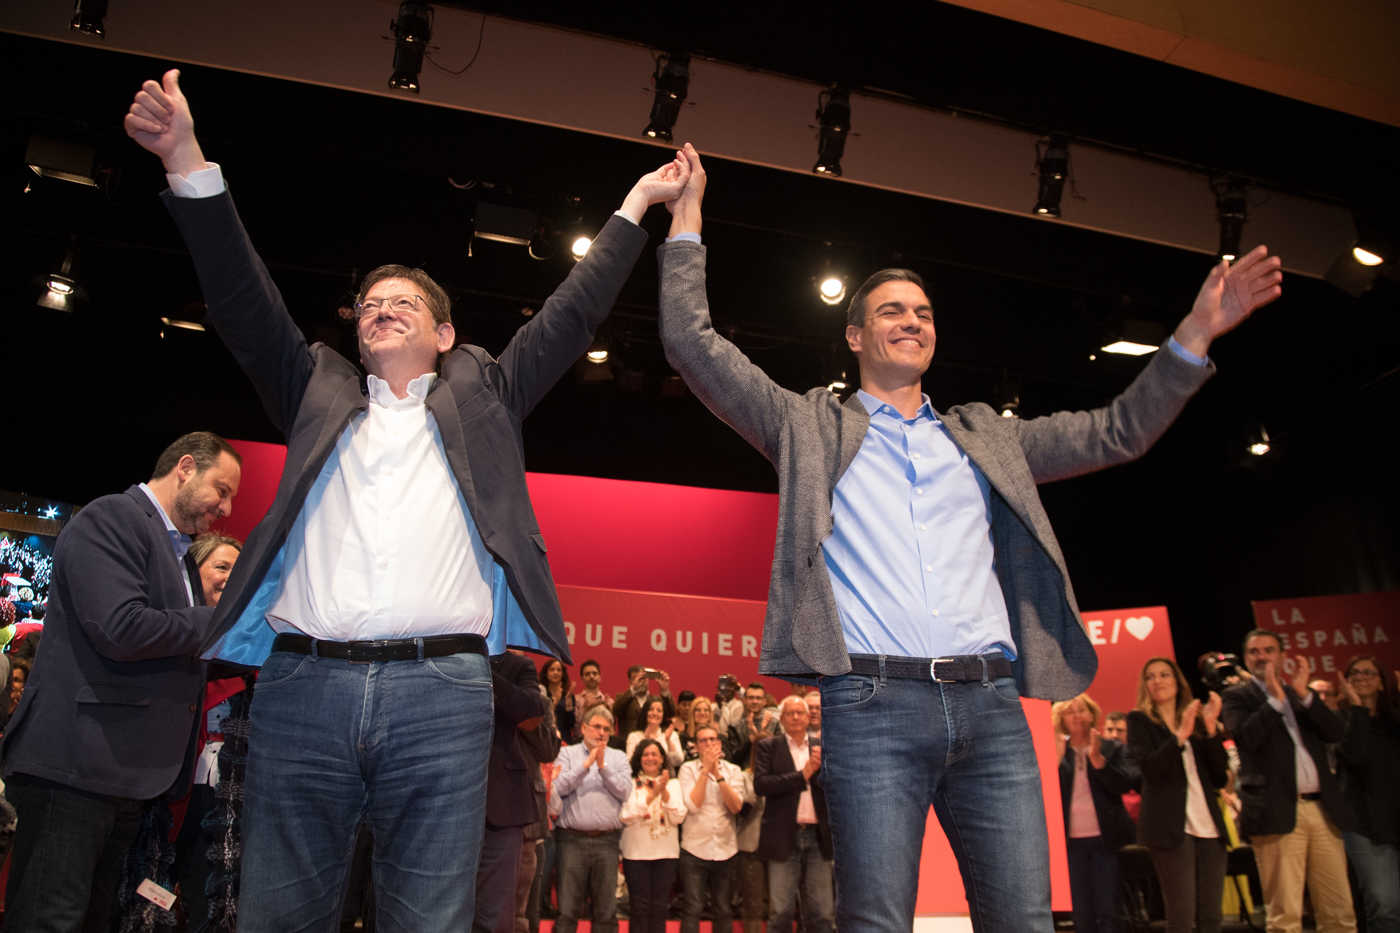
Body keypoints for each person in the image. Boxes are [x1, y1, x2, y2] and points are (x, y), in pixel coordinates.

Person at [656, 142, 1283, 931]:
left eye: (923, 313)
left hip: (991, 708)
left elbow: (1118, 429)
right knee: (876, 922)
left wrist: (1193, 334)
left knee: (1022, 920)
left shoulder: (985, 438)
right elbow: (694, 346)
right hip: (871, 706)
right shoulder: (808, 426)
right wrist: (688, 220)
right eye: (892, 310)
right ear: (855, 337)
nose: (912, 321)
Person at [124, 69, 688, 930]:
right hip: (304, 686)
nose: (381, 310)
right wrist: (184, 159)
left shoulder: (487, 395)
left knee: (427, 916)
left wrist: (637, 204)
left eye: (405, 303)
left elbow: (571, 316)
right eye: (370, 304)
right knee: (278, 913)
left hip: (442, 691)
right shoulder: (314, 388)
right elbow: (241, 299)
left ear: (445, 334)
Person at [1, 431, 241, 931]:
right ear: (185, 468)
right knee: (50, 919)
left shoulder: (177, 551)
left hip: (120, 776)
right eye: (222, 490)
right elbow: (120, 628)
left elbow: (174, 647)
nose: (226, 508)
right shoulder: (112, 518)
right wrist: (223, 621)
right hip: (75, 768)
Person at [1221, 629, 1355, 933]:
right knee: (1285, 917)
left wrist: (1305, 696)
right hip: (1276, 812)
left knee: (1339, 912)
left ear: (1281, 656)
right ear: (1246, 658)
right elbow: (1246, 738)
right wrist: (1274, 702)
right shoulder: (1238, 697)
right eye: (1254, 652)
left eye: (1269, 650)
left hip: (1322, 811)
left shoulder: (1298, 694)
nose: (1262, 657)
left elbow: (1335, 733)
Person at [1126, 658, 1230, 933]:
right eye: (1150, 677)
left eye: (1164, 675)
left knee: (1211, 916)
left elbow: (1219, 777)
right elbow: (1149, 771)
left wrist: (1210, 730)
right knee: (1181, 916)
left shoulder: (1196, 719)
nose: (1157, 681)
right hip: (1170, 827)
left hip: (1208, 825)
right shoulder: (1139, 721)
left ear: (1177, 682)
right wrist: (1179, 737)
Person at [475, 651, 559, 933]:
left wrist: (512, 704)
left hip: (510, 807)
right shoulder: (447, 659)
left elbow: (547, 748)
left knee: (513, 909)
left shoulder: (525, 679)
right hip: (456, 794)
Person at [1052, 693, 1135, 933]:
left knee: (1108, 910)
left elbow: (1125, 784)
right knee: (1081, 912)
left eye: (1081, 710)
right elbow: (1046, 794)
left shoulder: (1111, 747)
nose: (1076, 716)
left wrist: (1100, 763)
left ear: (1092, 714)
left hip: (1106, 839)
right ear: (1061, 718)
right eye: (1070, 711)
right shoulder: (1056, 750)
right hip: (1070, 842)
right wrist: (1056, 760)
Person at [754, 695, 834, 933]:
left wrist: (821, 772)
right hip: (782, 836)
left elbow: (835, 786)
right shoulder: (769, 746)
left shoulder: (821, 747)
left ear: (809, 717)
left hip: (818, 837)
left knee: (822, 912)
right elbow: (762, 785)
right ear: (782, 718)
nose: (796, 717)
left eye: (800, 713)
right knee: (781, 911)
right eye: (790, 713)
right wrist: (803, 775)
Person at [1335, 656, 1400, 933]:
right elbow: (1356, 756)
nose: (1361, 677)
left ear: (1382, 683)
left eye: (1369, 672)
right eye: (1355, 673)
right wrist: (1359, 709)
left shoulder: (1393, 721)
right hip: (1365, 824)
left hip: (1395, 816)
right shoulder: (1340, 720)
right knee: (1385, 905)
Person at [552, 705, 631, 933]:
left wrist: (603, 767)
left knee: (606, 913)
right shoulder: (567, 754)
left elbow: (626, 791)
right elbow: (557, 787)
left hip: (607, 841)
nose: (602, 733)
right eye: (597, 727)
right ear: (584, 728)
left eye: (606, 729)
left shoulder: (618, 757)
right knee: (567, 912)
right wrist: (586, 765)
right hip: (571, 841)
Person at [678, 724, 750, 933]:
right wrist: (705, 771)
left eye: (712, 740)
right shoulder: (687, 769)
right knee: (692, 908)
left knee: (723, 909)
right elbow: (693, 805)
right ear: (696, 746)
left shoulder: (733, 770)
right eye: (703, 740)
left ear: (719, 743)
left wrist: (718, 775)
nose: (709, 744)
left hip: (726, 849)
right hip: (694, 849)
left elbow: (736, 807)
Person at [619, 737, 687, 933]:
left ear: (662, 759)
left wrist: (663, 791)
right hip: (636, 854)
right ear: (639, 759)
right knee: (639, 908)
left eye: (654, 754)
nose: (650, 758)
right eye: (646, 754)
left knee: (659, 908)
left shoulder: (673, 784)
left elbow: (678, 817)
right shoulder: (630, 784)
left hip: (666, 854)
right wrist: (653, 793)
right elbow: (626, 815)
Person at [614, 665, 674, 749]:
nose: (641, 682)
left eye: (643, 678)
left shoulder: (655, 701)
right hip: (626, 745)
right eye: (636, 678)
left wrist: (664, 690)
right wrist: (633, 690)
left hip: (651, 745)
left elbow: (671, 713)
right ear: (630, 681)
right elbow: (615, 710)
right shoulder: (623, 698)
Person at [626, 696, 685, 769]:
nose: (654, 713)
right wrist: (645, 740)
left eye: (659, 711)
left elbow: (678, 762)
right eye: (651, 709)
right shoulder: (634, 736)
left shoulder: (671, 735)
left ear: (663, 715)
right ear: (645, 712)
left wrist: (668, 741)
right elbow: (630, 763)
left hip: (665, 774)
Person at [540, 657, 577, 743]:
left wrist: (569, 708)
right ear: (546, 673)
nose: (555, 672)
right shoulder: (542, 693)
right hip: (545, 739)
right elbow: (540, 720)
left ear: (563, 674)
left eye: (559, 670)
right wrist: (554, 704)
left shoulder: (567, 695)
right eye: (552, 670)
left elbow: (571, 725)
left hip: (564, 740)